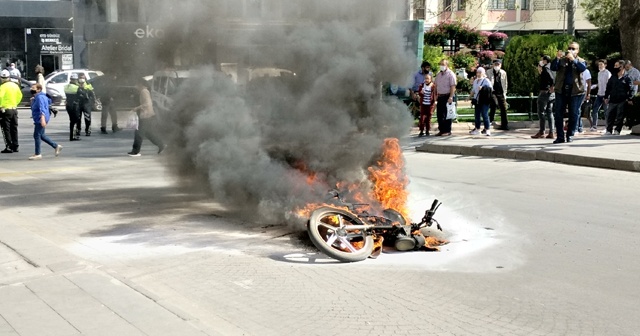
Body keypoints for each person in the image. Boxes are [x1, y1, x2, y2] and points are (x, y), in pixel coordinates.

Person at [550, 41, 587, 143]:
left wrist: (573, 60)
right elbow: (553, 67)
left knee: (574, 114)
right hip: (561, 90)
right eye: (569, 48)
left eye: (573, 48)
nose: (571, 50)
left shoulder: (581, 60)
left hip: (575, 91)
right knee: (558, 114)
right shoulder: (562, 60)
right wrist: (557, 58)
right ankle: (560, 137)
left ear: (577, 51)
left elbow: (582, 68)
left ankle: (570, 134)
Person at [128, 78, 166, 156]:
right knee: (149, 133)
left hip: (146, 115)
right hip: (147, 115)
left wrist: (137, 108)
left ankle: (135, 151)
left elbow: (148, 103)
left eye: (137, 85)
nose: (135, 86)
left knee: (139, 133)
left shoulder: (144, 92)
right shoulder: (144, 91)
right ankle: (161, 145)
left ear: (140, 84)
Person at [29, 84, 62, 160]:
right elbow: (34, 109)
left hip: (40, 118)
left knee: (36, 135)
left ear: (39, 89)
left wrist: (42, 118)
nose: (31, 89)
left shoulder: (40, 97)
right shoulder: (36, 97)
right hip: (38, 118)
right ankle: (56, 146)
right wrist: (32, 101)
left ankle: (38, 153)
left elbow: (42, 108)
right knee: (42, 135)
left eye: (33, 88)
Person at [604, 60, 634, 135]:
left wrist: (630, 98)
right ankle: (609, 130)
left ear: (622, 67)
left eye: (616, 66)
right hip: (613, 100)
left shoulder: (627, 78)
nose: (615, 67)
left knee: (620, 116)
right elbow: (608, 87)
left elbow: (631, 89)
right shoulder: (613, 77)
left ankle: (617, 130)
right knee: (610, 115)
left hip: (622, 100)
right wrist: (606, 97)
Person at [532, 55, 556, 139]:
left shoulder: (546, 69)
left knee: (541, 111)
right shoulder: (553, 68)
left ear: (545, 61)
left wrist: (552, 85)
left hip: (545, 92)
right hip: (551, 93)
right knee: (550, 112)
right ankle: (551, 132)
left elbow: (551, 78)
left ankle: (542, 131)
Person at [0, 69, 23, 153]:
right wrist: (15, 103)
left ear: (1, 78)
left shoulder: (2, 87)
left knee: (6, 129)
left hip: (5, 110)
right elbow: (20, 96)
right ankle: (15, 146)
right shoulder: (15, 85)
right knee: (14, 128)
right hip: (14, 109)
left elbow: (0, 97)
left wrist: (0, 106)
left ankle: (9, 146)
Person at [433, 59, 456, 136]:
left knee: (447, 114)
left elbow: (453, 86)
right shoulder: (438, 74)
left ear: (447, 65)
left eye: (443, 64)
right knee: (440, 114)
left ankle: (447, 130)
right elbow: (435, 86)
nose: (441, 66)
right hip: (440, 96)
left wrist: (451, 97)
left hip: (447, 96)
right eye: (440, 64)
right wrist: (435, 96)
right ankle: (441, 130)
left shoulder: (450, 74)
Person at [469, 67, 493, 136]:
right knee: (477, 115)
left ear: (483, 73)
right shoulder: (476, 81)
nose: (478, 74)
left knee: (485, 114)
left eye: (480, 72)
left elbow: (490, 90)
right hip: (477, 100)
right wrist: (469, 97)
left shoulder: (486, 80)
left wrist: (483, 88)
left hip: (484, 100)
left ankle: (487, 129)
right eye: (477, 72)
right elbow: (473, 90)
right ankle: (477, 129)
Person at [486, 59, 509, 130]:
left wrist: (505, 93)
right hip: (492, 92)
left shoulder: (503, 72)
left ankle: (504, 125)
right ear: (493, 65)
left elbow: (505, 83)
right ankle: (490, 120)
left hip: (501, 92)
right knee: (494, 104)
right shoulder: (489, 72)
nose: (496, 66)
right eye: (495, 64)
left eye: (498, 64)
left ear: (500, 65)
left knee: (503, 108)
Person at [590, 59, 611, 132]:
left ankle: (607, 127)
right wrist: (594, 86)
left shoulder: (607, 73)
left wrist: (607, 95)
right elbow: (600, 83)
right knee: (595, 110)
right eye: (599, 65)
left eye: (601, 64)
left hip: (605, 94)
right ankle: (594, 126)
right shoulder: (599, 73)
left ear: (605, 65)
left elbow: (609, 84)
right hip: (599, 94)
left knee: (606, 111)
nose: (600, 66)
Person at [64, 74, 82, 141]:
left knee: (71, 121)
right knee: (76, 120)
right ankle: (74, 136)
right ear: (75, 80)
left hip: (68, 105)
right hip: (75, 105)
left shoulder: (66, 87)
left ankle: (71, 136)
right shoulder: (76, 87)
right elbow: (81, 95)